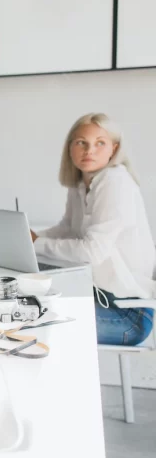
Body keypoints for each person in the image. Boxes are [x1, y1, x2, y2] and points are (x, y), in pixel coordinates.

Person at [31, 113, 155, 345]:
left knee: (33, 323)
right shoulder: (82, 183)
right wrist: (28, 237)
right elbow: (68, 228)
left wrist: (37, 243)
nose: (90, 150)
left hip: (128, 314)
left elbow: (91, 252)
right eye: (81, 143)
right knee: (22, 311)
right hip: (99, 298)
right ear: (70, 148)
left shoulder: (115, 181)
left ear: (114, 149)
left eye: (100, 143)